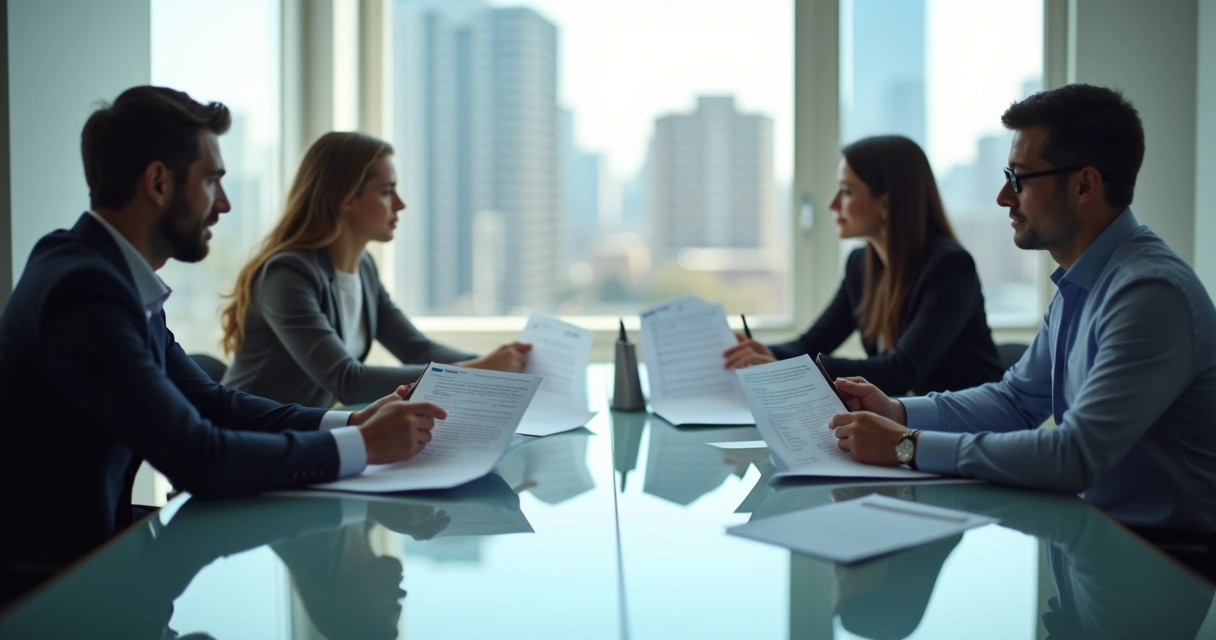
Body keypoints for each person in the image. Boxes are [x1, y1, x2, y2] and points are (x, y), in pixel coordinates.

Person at [0, 87, 446, 578]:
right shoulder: (83, 291)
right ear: (158, 182)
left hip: (91, 556)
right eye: (213, 180)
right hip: (45, 586)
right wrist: (363, 447)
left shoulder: (110, 275)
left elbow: (213, 403)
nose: (225, 204)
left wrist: (351, 424)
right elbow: (199, 458)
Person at [825, 84, 1216, 536]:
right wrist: (899, 412)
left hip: (1168, 564)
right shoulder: (1082, 282)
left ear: (1084, 184)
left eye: (1018, 179)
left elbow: (1074, 456)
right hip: (1094, 538)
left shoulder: (1149, 294)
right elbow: (1015, 401)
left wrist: (907, 447)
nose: (1002, 197)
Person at [220, 131, 530, 408]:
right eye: (386, 191)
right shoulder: (286, 275)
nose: (400, 204)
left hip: (301, 437)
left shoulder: (364, 268)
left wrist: (502, 364)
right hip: (245, 441)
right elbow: (348, 381)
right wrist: (480, 371)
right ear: (345, 199)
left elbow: (416, 349)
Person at [723, 135, 1002, 396]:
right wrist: (764, 354)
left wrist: (787, 369)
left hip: (969, 430)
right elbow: (813, 343)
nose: (833, 204)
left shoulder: (950, 268)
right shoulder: (860, 265)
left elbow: (899, 371)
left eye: (846, 191)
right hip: (909, 422)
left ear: (886, 203)